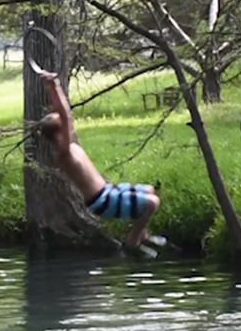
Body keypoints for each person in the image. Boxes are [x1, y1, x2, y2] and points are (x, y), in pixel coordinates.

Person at [35, 70, 164, 256]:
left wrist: (51, 88)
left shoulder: (69, 146)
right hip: (102, 201)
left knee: (149, 190)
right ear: (57, 135)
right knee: (152, 203)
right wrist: (54, 85)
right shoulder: (64, 154)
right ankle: (132, 241)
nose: (69, 126)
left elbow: (63, 114)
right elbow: (65, 115)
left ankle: (143, 235)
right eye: (64, 126)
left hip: (109, 190)